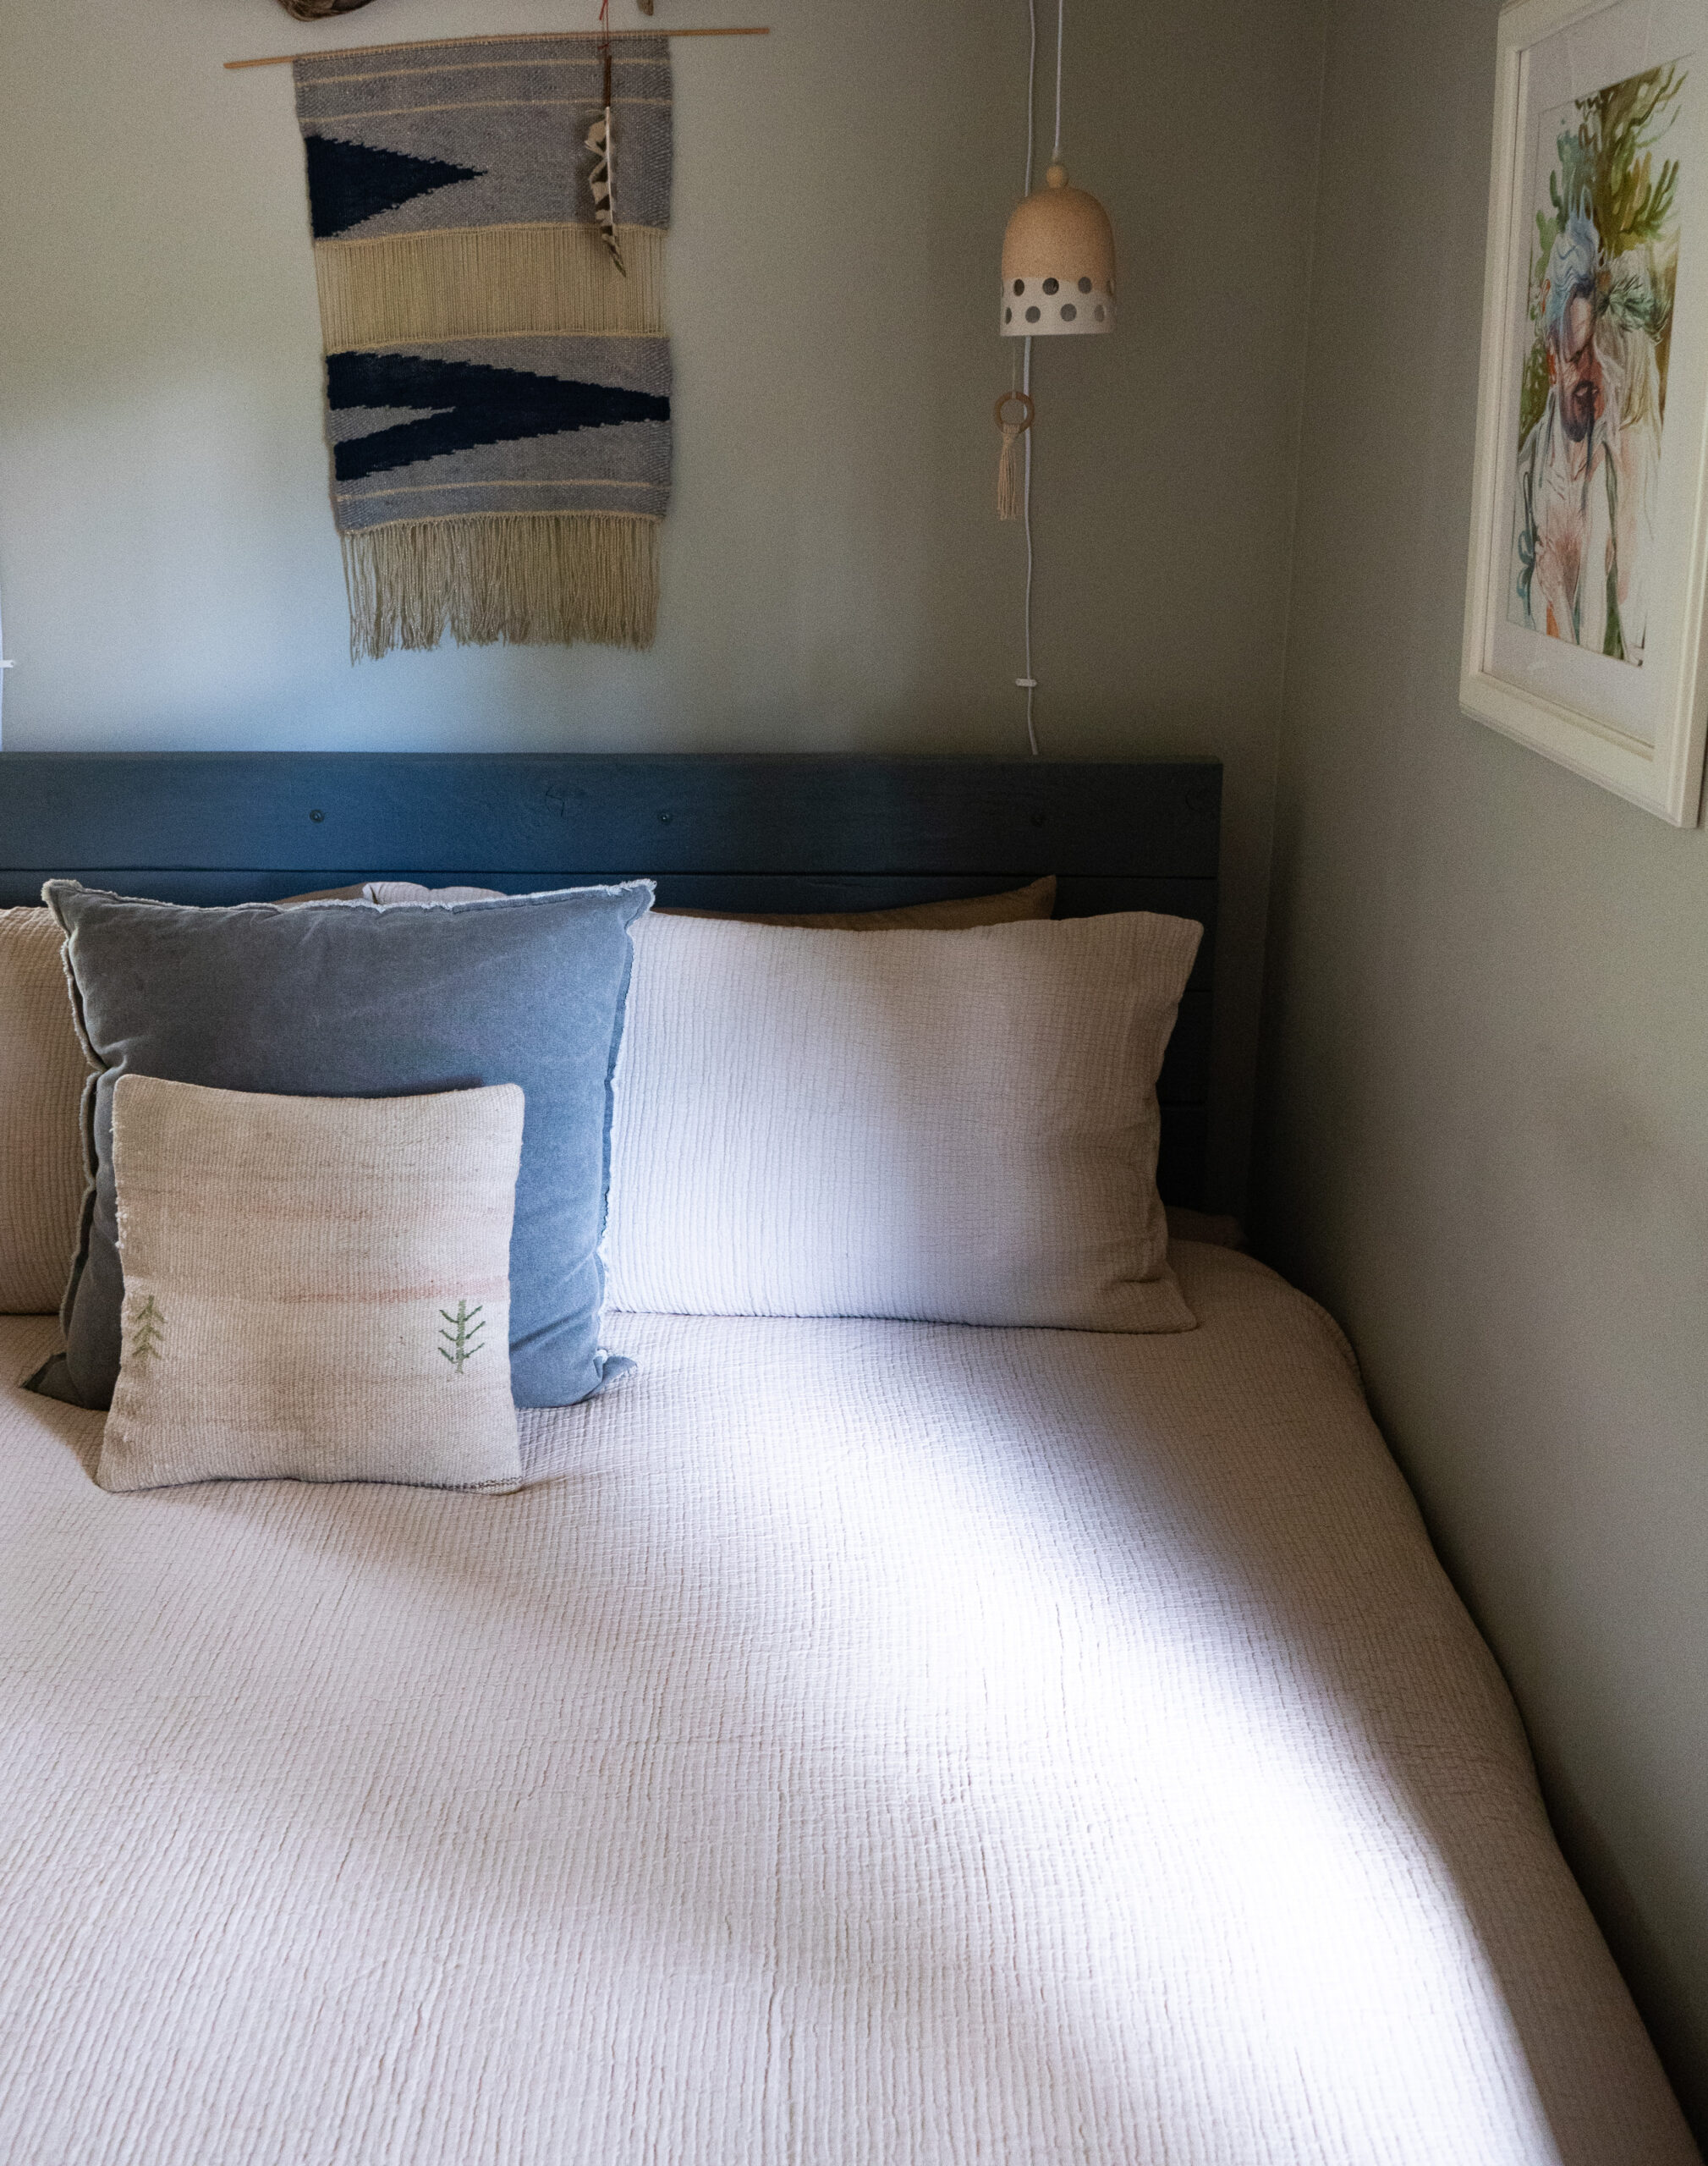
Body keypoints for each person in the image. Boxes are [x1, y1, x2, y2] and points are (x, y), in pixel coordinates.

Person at [1512, 212, 1661, 663]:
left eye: (1600, 354)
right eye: (1577, 357)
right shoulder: (1529, 472)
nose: (1592, 374)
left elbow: (1634, 646)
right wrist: (1553, 589)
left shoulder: (1625, 464)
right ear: (1553, 358)